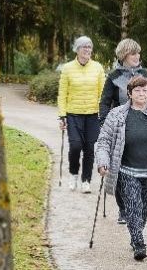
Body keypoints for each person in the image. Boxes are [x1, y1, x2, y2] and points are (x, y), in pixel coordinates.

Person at [95, 76, 147, 261]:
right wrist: (102, 161)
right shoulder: (117, 114)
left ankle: (136, 232)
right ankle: (138, 242)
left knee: (144, 208)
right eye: (137, 90)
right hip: (126, 171)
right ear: (129, 94)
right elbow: (104, 142)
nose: (141, 93)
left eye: (145, 90)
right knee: (133, 206)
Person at [99, 38, 147, 225]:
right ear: (124, 55)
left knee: (143, 168)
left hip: (143, 126)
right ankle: (124, 208)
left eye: (138, 53)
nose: (137, 56)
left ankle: (139, 203)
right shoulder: (114, 76)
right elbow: (105, 102)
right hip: (120, 126)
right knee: (118, 168)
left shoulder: (145, 73)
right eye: (133, 53)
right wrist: (103, 124)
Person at [57, 35, 105, 193]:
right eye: (84, 47)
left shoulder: (98, 67)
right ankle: (73, 174)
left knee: (89, 148)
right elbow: (62, 93)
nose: (87, 50)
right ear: (77, 50)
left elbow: (102, 93)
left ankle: (86, 180)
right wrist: (62, 115)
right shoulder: (68, 68)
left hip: (92, 114)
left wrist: (103, 113)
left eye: (89, 47)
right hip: (73, 114)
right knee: (76, 146)